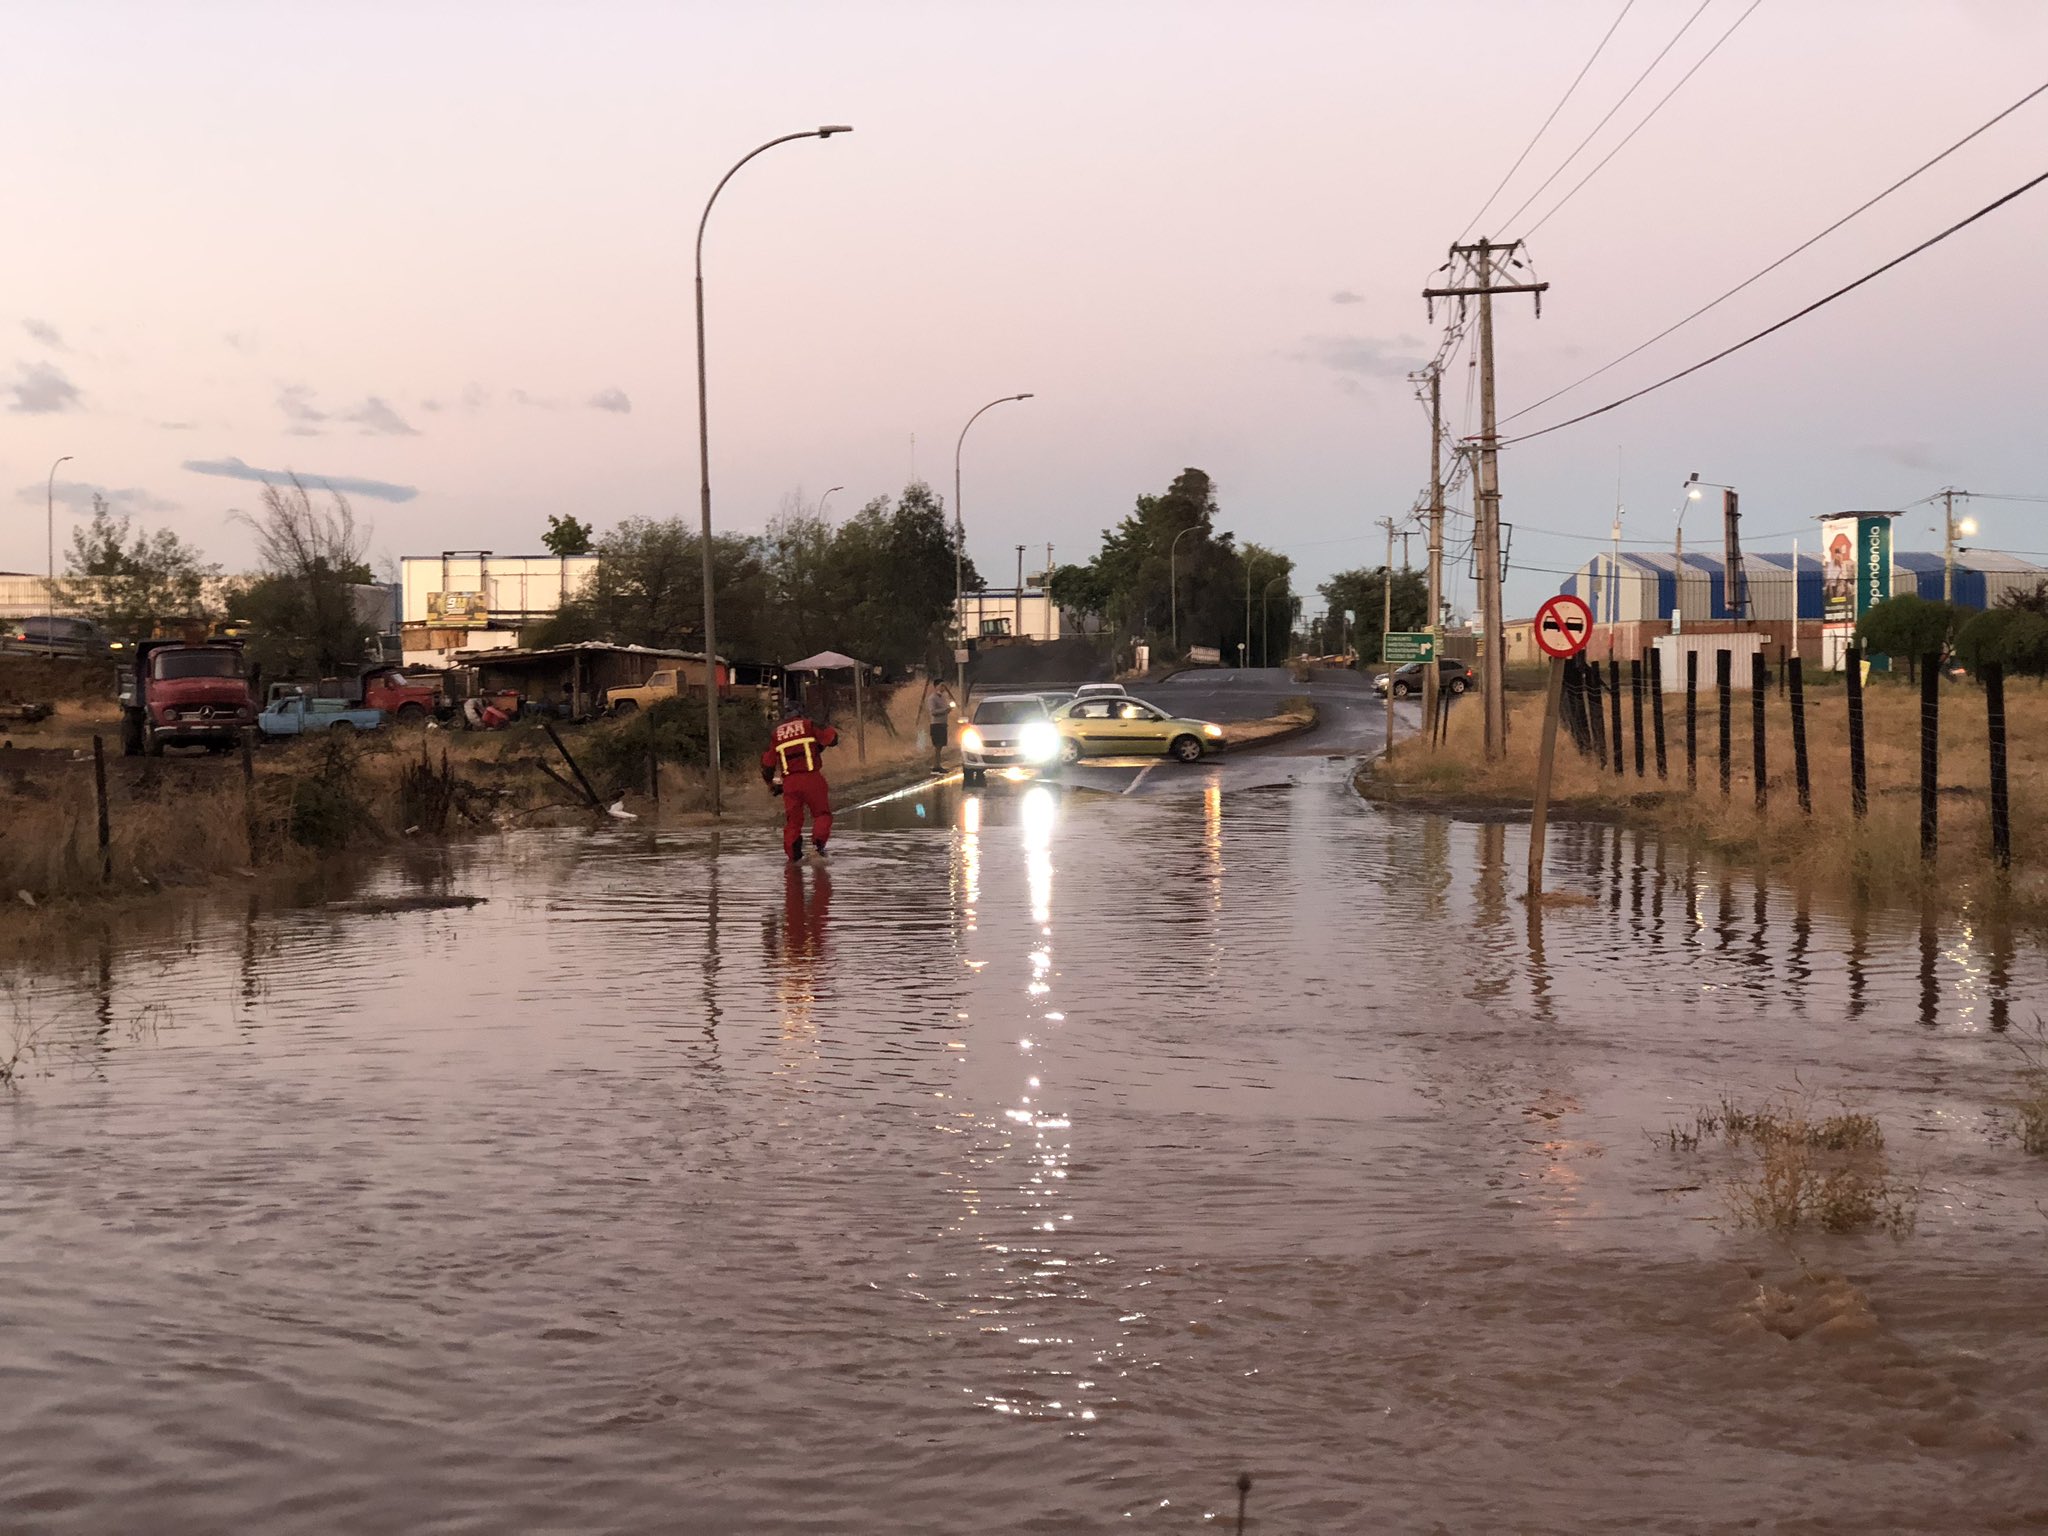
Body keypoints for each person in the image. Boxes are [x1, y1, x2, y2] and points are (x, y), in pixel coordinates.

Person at [762, 701, 839, 861]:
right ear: (800, 713)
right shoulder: (809, 725)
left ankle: (793, 858)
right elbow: (832, 739)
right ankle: (817, 848)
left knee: (793, 822)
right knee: (822, 814)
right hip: (812, 778)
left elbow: (768, 764)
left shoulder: (777, 733)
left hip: (790, 783)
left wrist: (770, 783)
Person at [927, 682, 953, 769]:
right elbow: (933, 712)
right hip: (936, 724)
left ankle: (938, 765)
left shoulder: (943, 697)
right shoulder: (932, 698)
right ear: (936, 686)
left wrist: (948, 710)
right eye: (942, 685)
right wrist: (945, 710)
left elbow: (944, 710)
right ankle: (936, 765)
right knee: (937, 746)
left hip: (943, 724)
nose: (944, 687)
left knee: (940, 745)